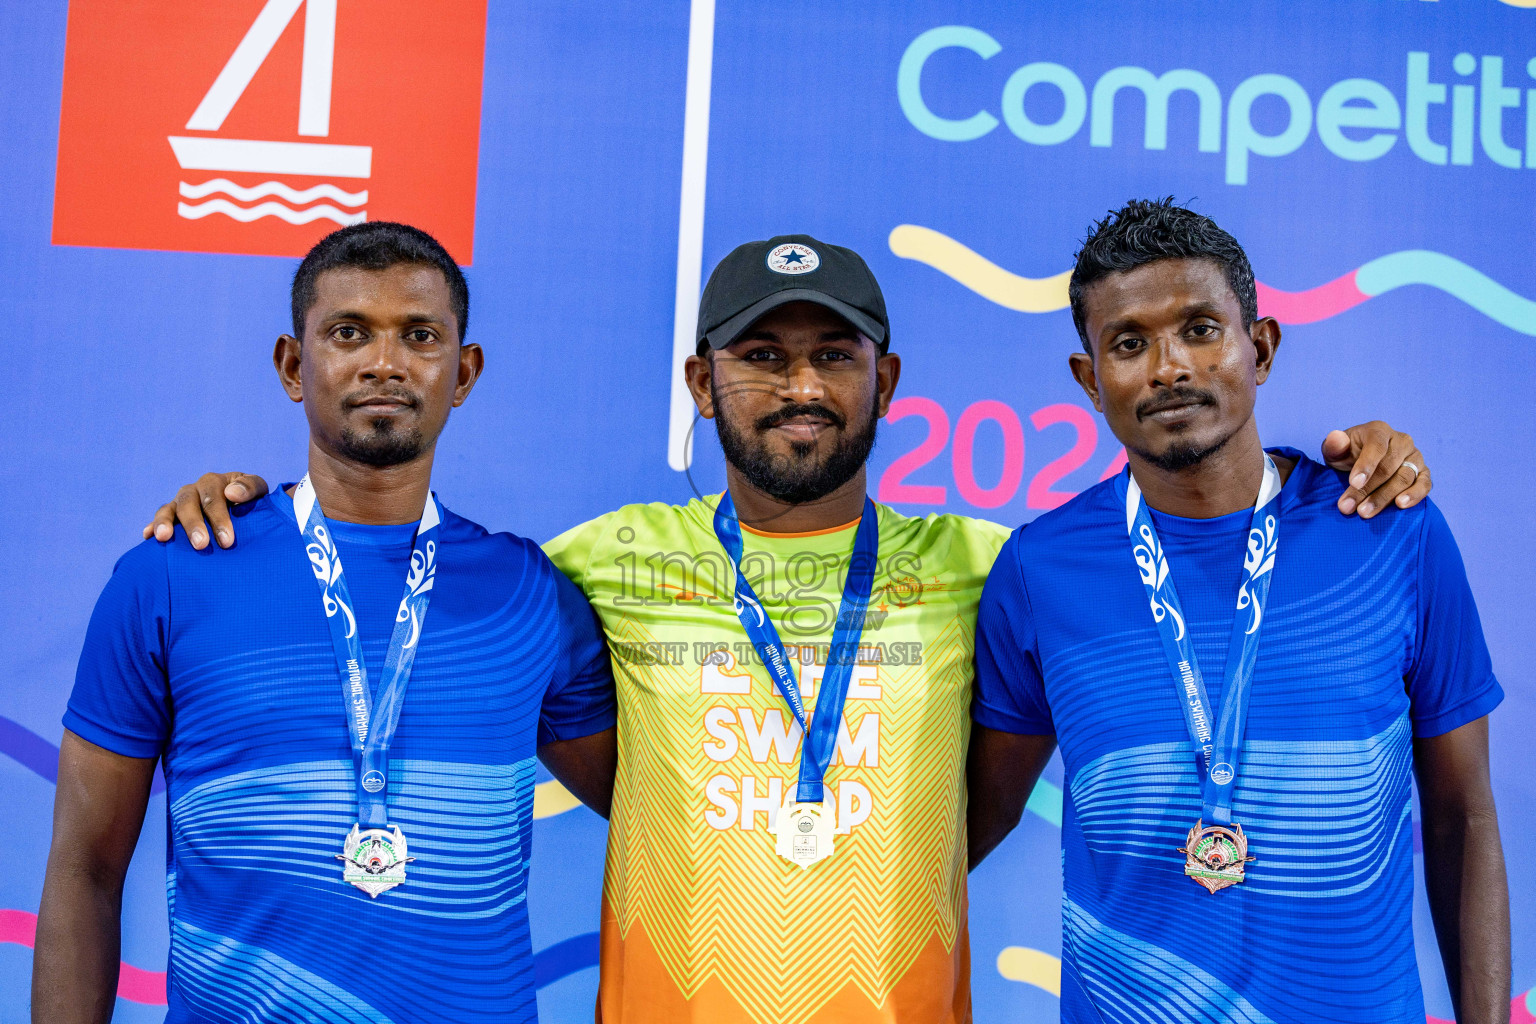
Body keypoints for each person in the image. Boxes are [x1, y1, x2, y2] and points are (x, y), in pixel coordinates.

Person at [142, 232, 1435, 1024]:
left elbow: (1181, 549)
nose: (802, 386)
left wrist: (1345, 468)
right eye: (762, 357)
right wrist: (237, 501)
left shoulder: (1002, 569)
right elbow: (401, 587)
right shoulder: (592, 569)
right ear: (704, 386)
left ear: (890, 384)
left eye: (836, 354)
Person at [32, 222, 618, 1024]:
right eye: (349, 333)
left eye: (420, 335)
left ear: (463, 372)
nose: (385, 363)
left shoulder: (529, 594)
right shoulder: (172, 574)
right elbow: (84, 872)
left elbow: (665, 814)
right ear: (291, 366)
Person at [967, 199, 1509, 1024]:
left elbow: (1463, 816)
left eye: (1199, 329)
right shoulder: (1039, 570)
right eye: (1128, 343)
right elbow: (977, 815)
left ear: (1260, 348)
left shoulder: (1389, 529)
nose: (1169, 367)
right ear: (1089, 380)